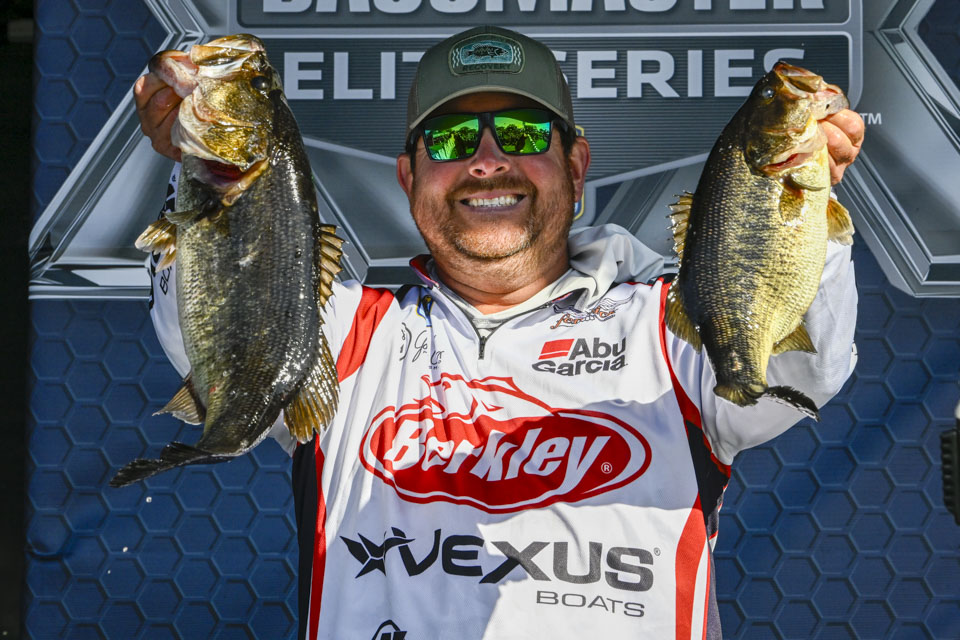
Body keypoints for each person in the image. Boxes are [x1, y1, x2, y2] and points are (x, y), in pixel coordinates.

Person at [134, 25, 863, 640]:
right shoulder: (343, 331)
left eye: (521, 132)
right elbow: (215, 323)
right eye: (451, 138)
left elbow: (806, 369)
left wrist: (800, 209)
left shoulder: (673, 327)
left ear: (575, 167)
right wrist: (197, 162)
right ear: (408, 178)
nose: (486, 161)